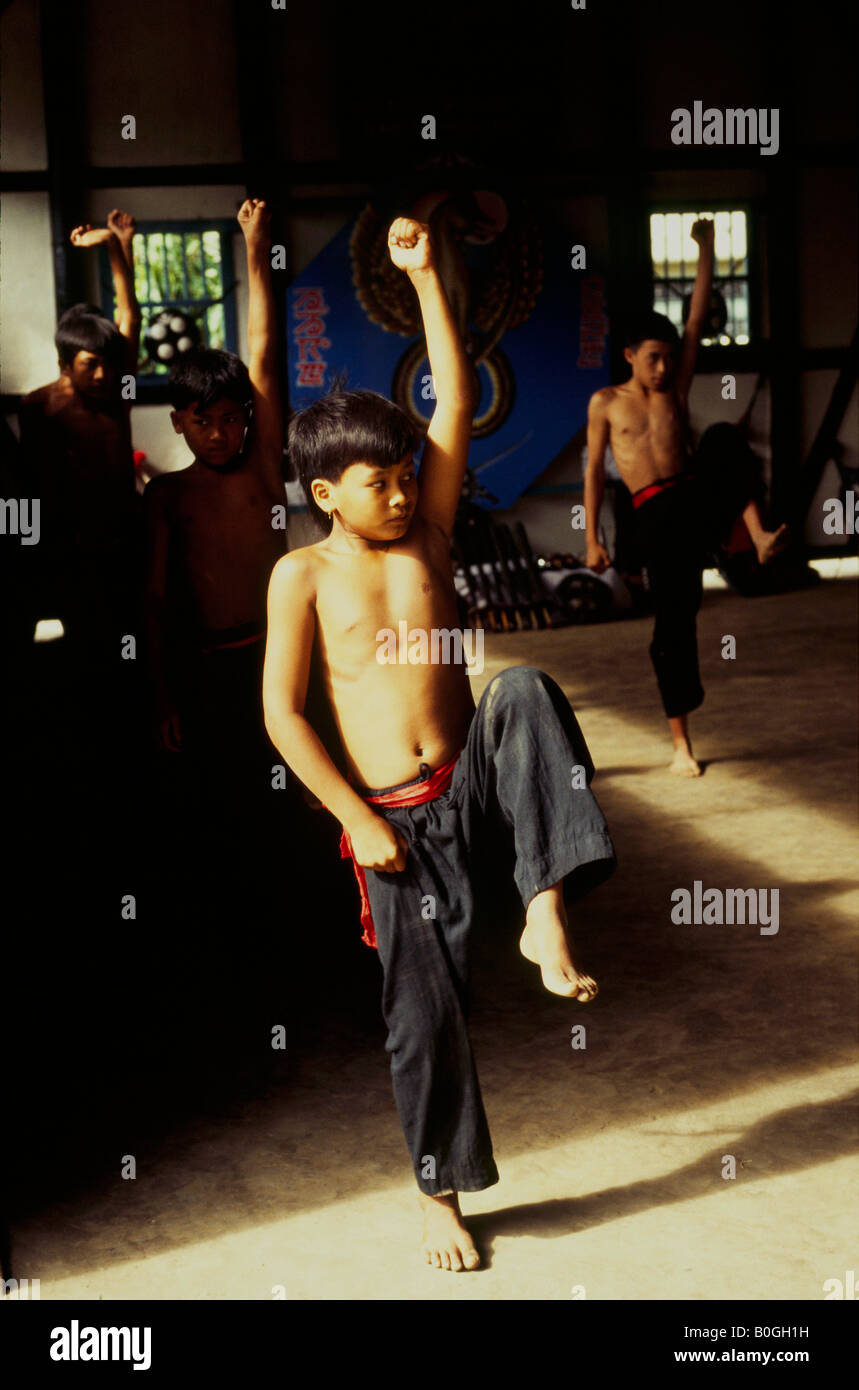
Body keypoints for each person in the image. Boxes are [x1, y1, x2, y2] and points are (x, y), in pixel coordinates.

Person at [262, 218, 616, 1273]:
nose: (404, 491)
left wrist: (424, 278)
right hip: (396, 823)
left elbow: (452, 400)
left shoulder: (430, 533)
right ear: (327, 494)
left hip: (473, 782)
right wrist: (357, 820)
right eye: (379, 483)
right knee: (424, 1022)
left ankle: (543, 907)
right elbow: (281, 714)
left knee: (524, 690)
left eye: (408, 475)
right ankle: (439, 1195)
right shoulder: (303, 578)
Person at [584, 218, 789, 777]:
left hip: (695, 499)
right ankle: (682, 745)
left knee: (722, 436)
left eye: (669, 357)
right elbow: (595, 477)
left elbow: (697, 318)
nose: (664, 366)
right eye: (652, 357)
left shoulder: (675, 388)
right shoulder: (605, 403)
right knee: (675, 629)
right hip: (654, 517)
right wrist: (592, 540)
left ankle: (759, 535)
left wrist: (707, 250)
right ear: (629, 354)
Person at [142, 199, 286, 820]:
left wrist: (255, 246)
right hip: (203, 666)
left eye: (233, 419)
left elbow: (263, 350)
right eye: (205, 422)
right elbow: (150, 600)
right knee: (217, 801)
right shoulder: (168, 496)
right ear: (179, 423)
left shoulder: (262, 462)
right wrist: (161, 695)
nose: (221, 434)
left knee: (287, 794)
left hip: (277, 653)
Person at [18, 209, 141, 670]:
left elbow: (130, 312)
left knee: (133, 639)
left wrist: (115, 245)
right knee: (83, 647)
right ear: (65, 362)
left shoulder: (115, 395)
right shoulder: (38, 408)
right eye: (91, 364)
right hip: (67, 549)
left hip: (124, 541)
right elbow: (31, 484)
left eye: (109, 363)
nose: (104, 374)